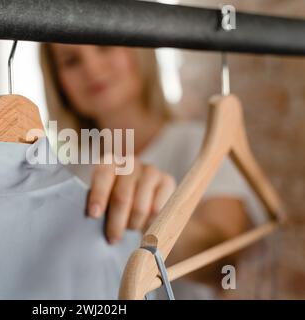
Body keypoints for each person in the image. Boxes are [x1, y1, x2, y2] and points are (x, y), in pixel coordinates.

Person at [39, 44, 265, 298]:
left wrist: (155, 221)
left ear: (138, 51)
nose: (91, 68)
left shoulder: (201, 144)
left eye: (105, 46)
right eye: (71, 61)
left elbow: (224, 266)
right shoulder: (65, 172)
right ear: (58, 82)